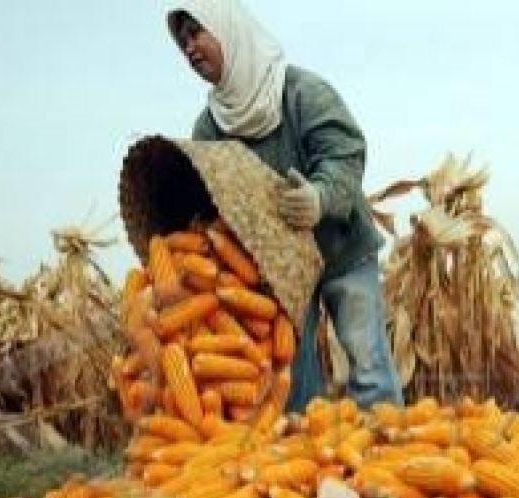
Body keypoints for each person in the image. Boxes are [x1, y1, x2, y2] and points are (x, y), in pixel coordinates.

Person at [166, 0, 403, 411]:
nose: (188, 47)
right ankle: (307, 460)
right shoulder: (209, 127)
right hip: (281, 269)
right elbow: (205, 201)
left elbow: (344, 154)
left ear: (228, 31)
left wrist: (319, 197)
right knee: (290, 373)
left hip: (341, 248)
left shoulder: (301, 93)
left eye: (197, 32)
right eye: (181, 40)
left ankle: (388, 452)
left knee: (367, 364)